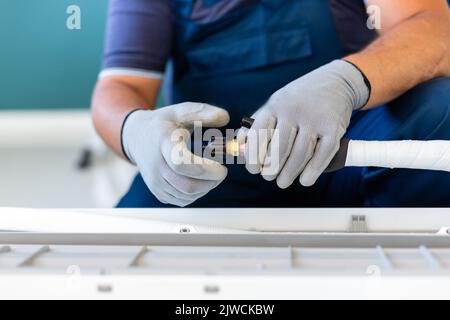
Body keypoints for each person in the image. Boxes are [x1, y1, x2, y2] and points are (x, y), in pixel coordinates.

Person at [92, 0, 450, 208]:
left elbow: (434, 28)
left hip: (348, 156)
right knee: (140, 230)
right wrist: (134, 131)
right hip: (213, 173)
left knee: (440, 106)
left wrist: (347, 80)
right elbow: (121, 85)